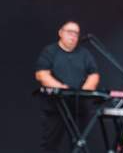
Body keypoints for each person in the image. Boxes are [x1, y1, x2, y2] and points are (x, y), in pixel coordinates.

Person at [35, 20, 100, 152]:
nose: (73, 36)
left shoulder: (84, 54)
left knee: (80, 144)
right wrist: (62, 89)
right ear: (60, 33)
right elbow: (41, 74)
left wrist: (84, 92)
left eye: (76, 33)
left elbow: (94, 74)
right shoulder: (50, 51)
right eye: (70, 32)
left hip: (79, 106)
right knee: (50, 144)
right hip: (56, 105)